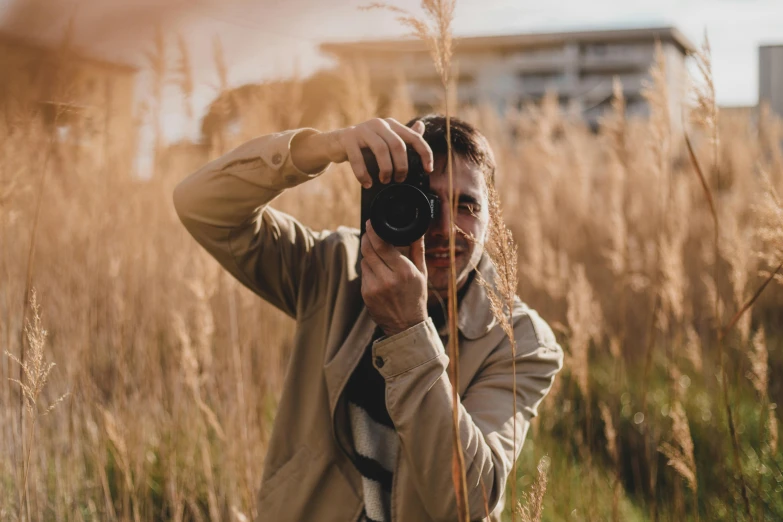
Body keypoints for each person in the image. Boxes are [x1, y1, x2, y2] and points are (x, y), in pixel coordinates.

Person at [173, 115, 563, 522]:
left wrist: (408, 330)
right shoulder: (334, 269)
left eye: (466, 205)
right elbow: (199, 203)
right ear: (385, 200)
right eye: (425, 201)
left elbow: (466, 503)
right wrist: (321, 148)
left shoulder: (519, 340)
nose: (445, 228)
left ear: (491, 216)